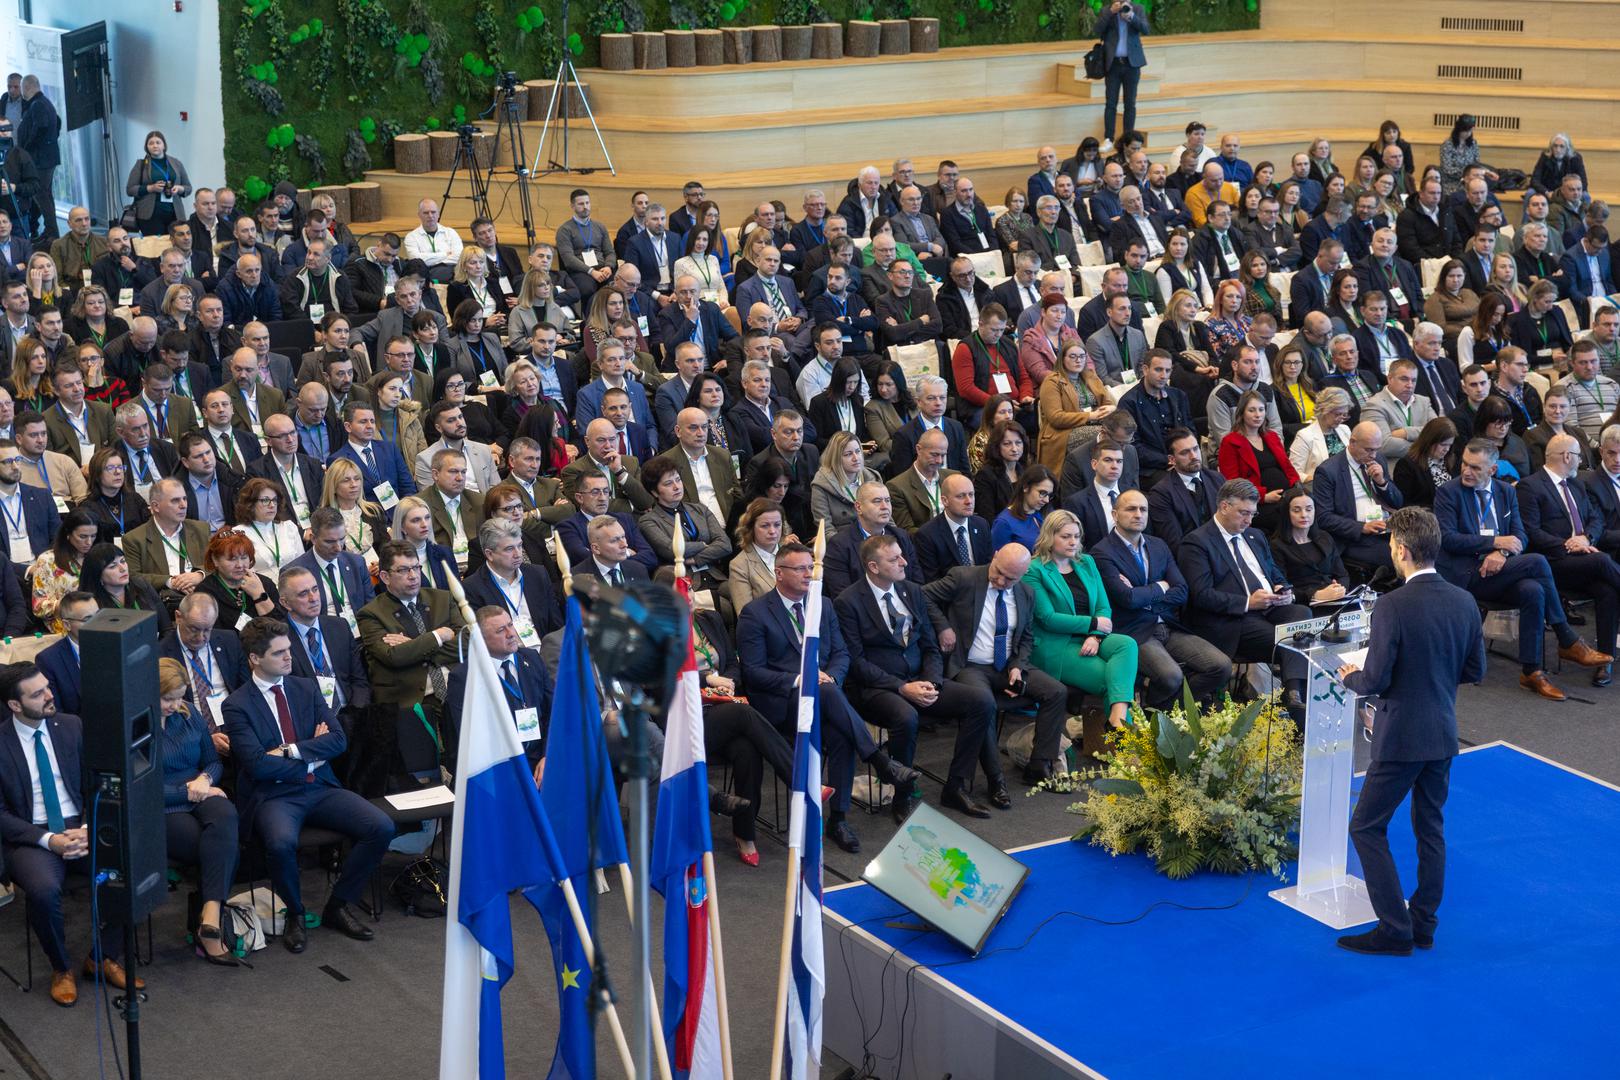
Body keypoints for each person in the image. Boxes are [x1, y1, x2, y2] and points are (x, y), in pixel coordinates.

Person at [1333, 507, 1485, 955]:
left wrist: (1348, 678)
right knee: (1430, 830)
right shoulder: (1465, 601)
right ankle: (1423, 923)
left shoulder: (1392, 605)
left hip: (1400, 736)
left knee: (1366, 827)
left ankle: (1394, 929)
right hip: (1442, 732)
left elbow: (1375, 680)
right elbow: (1473, 669)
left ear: (1400, 549)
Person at [735, 541, 919, 854]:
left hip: (826, 695)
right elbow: (753, 673)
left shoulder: (823, 604)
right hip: (782, 703)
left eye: (811, 567)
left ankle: (839, 817)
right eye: (800, 568)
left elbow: (841, 654)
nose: (808, 574)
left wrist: (831, 677)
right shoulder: (756, 614)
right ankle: (879, 760)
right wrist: (801, 680)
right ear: (779, 573)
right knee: (829, 697)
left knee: (840, 732)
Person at [224, 618, 393, 952]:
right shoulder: (237, 705)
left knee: (381, 827)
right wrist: (311, 758)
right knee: (281, 844)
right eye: (280, 653)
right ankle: (296, 914)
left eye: (289, 650)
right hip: (274, 796)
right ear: (256, 659)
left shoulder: (305, 688)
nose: (289, 657)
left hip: (319, 786)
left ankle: (338, 905)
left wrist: (292, 751)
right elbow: (257, 765)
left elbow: (338, 741)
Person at [0, 662, 140, 1005]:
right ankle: (61, 967)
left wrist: (88, 828)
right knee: (45, 891)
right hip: (32, 836)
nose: (50, 696)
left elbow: (98, 783)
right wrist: (51, 840)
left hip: (81, 825)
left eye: (47, 687)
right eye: (38, 694)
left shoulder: (71, 727)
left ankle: (102, 956)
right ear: (15, 705)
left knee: (132, 866)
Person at [1433, 439, 1609, 700]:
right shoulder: (1449, 492)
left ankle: (1531, 671)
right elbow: (1447, 538)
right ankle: (1566, 637)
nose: (1467, 472)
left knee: (1533, 589)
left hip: (1500, 569)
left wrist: (1501, 552)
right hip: (1466, 573)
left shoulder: (1505, 492)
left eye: (1475, 468)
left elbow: (1520, 536)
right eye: (1464, 465)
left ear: (1492, 470)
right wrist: (1494, 542)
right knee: (1537, 562)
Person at [836, 533, 996, 820]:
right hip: (877, 687)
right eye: (894, 558)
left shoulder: (912, 591)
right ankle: (902, 793)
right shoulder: (848, 602)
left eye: (901, 555)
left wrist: (932, 682)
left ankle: (957, 786)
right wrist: (902, 687)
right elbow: (855, 662)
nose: (904, 561)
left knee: (981, 701)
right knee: (905, 716)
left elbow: (930, 646)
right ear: (873, 567)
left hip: (920, 679)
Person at [924, 544, 1071, 786]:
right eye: (998, 572)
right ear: (993, 557)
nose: (1001, 581)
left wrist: (1017, 665)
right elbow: (922, 595)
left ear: (1023, 575)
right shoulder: (964, 577)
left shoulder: (1026, 593)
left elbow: (1026, 637)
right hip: (971, 665)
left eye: (1010, 578)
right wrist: (943, 627)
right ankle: (996, 779)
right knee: (984, 705)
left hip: (1006, 666)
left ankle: (1039, 764)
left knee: (1056, 691)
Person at [1177, 478, 1312, 713]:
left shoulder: (1255, 536)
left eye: (1252, 514)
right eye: (1243, 513)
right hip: (1235, 619)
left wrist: (1283, 589)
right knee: (1287, 640)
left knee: (1303, 614)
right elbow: (1201, 595)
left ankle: (1293, 694)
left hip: (1269, 607)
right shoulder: (1197, 542)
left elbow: (1273, 572)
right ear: (1224, 507)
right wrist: (1248, 603)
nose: (1249, 520)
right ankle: (1294, 697)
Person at [1093, 489, 1230, 706]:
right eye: (1131, 509)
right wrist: (1161, 585)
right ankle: (1156, 719)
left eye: (1143, 509)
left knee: (1220, 666)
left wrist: (1145, 596)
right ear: (1115, 514)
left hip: (1168, 625)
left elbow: (1182, 591)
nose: (1138, 514)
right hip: (1135, 631)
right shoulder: (1102, 552)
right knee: (1170, 676)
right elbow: (1127, 599)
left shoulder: (1158, 545)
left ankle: (1173, 713)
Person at [154, 656, 240, 965]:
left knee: (227, 816)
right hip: (163, 802)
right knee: (207, 844)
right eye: (167, 698)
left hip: (200, 789)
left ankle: (210, 914)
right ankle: (210, 922)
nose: (175, 705)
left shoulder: (188, 713)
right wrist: (189, 791)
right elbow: (139, 786)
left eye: (179, 697)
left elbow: (213, 761)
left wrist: (204, 779)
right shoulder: (134, 725)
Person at [1517, 433, 1620, 685]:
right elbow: (1531, 532)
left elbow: (1596, 519)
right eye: (1578, 456)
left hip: (1583, 558)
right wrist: (1568, 545)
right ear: (1567, 456)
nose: (1580, 461)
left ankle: (1605, 661)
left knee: (1608, 590)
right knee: (1603, 561)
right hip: (1552, 562)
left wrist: (1586, 539)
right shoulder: (1530, 486)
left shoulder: (1576, 484)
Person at [1023, 511, 1139, 729]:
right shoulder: (1034, 570)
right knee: (1112, 682)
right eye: (1066, 536)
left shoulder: (1087, 562)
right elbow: (1047, 618)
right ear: (1049, 536)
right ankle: (1126, 742)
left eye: (1076, 536)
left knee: (1127, 644)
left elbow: (1103, 606)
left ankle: (1117, 721)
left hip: (1092, 638)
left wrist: (1095, 636)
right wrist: (1093, 624)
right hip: (1058, 644)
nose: (1073, 542)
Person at [1217, 389, 1299, 534]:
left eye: (1261, 410)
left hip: (1286, 496)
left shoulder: (1271, 436)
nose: (1258, 415)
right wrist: (1263, 497)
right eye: (1252, 410)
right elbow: (1232, 483)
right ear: (1242, 413)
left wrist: (1296, 488)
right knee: (1288, 517)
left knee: (1308, 509)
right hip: (1254, 504)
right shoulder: (1230, 442)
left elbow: (1288, 467)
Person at [125, 130, 191, 236]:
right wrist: (151, 188)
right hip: (150, 215)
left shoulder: (176, 163)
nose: (155, 146)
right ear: (147, 147)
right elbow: (130, 189)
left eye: (158, 142)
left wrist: (179, 188)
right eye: (151, 143)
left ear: (164, 145)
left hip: (175, 214)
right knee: (155, 248)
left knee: (175, 247)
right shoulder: (141, 165)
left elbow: (188, 188)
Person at [1394, 417, 1457, 508]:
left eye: (1450, 445)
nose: (1446, 449)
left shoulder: (1452, 459)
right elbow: (1404, 504)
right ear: (1429, 441)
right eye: (1443, 444)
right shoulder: (1407, 465)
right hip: (1426, 518)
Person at [991, 464, 1054, 550]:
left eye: (1049, 495)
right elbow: (999, 560)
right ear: (1025, 487)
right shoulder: (1004, 523)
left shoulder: (1042, 515)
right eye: (1042, 493)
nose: (1047, 500)